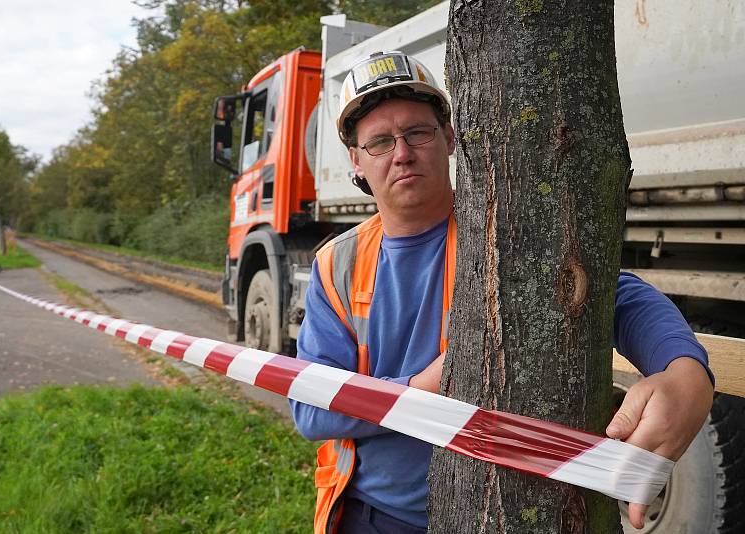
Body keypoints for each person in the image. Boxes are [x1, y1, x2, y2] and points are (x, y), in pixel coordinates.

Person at [290, 51, 714, 534]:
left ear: (449, 139)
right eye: (380, 142)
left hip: (495, 517)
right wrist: (415, 393)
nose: (402, 153)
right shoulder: (337, 266)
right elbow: (309, 409)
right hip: (374, 516)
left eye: (417, 132)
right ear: (357, 162)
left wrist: (685, 370)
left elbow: (617, 296)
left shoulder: (504, 231)